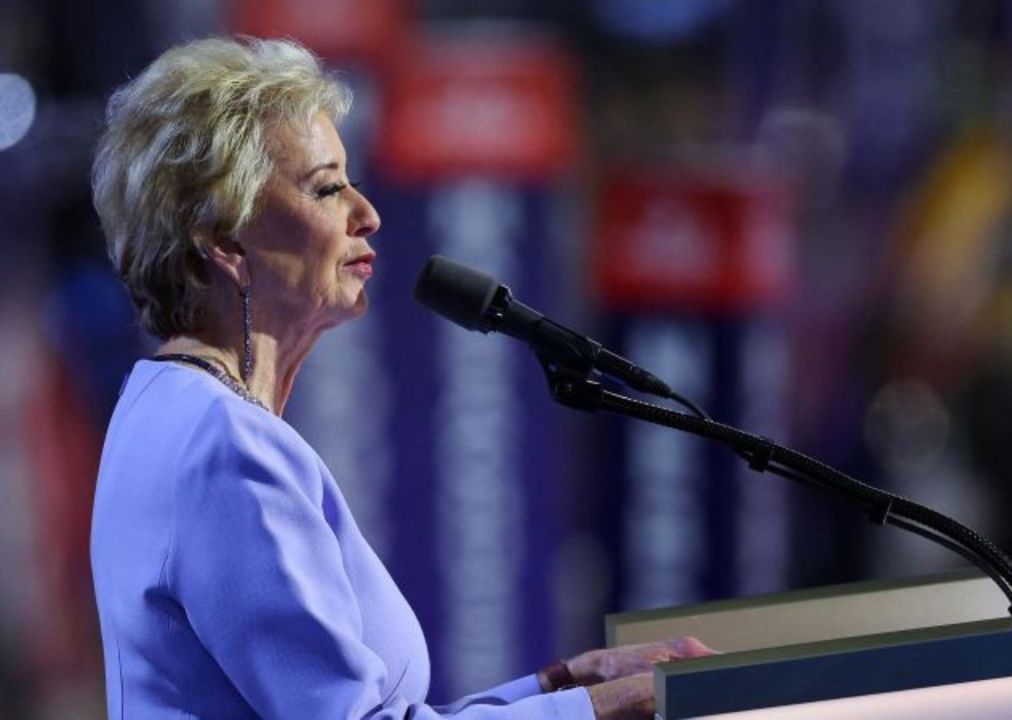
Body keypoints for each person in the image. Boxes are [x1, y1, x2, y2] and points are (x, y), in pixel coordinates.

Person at [89, 36, 711, 719]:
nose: (368, 213)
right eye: (327, 187)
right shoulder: (224, 448)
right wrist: (607, 710)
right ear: (225, 239)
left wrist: (557, 686)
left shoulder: (165, 407)